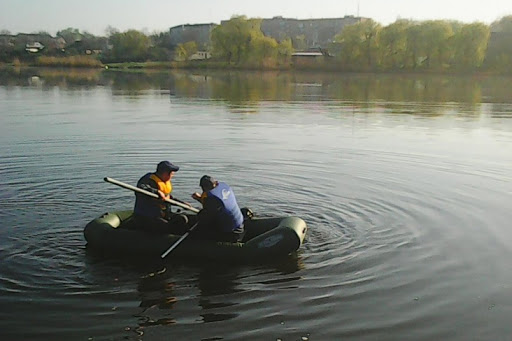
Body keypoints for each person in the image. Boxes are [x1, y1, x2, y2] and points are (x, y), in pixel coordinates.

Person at [133, 161, 188, 234]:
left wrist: (181, 203)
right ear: (166, 173)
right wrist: (156, 191)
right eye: (172, 174)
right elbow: (141, 188)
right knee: (166, 226)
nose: (172, 176)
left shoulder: (164, 182)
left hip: (162, 215)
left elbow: (168, 199)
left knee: (182, 219)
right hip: (146, 217)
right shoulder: (148, 180)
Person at [191, 175, 245, 242]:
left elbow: (206, 217)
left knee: (201, 222)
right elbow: (220, 205)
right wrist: (200, 199)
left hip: (232, 234)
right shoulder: (224, 187)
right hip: (240, 225)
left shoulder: (212, 199)